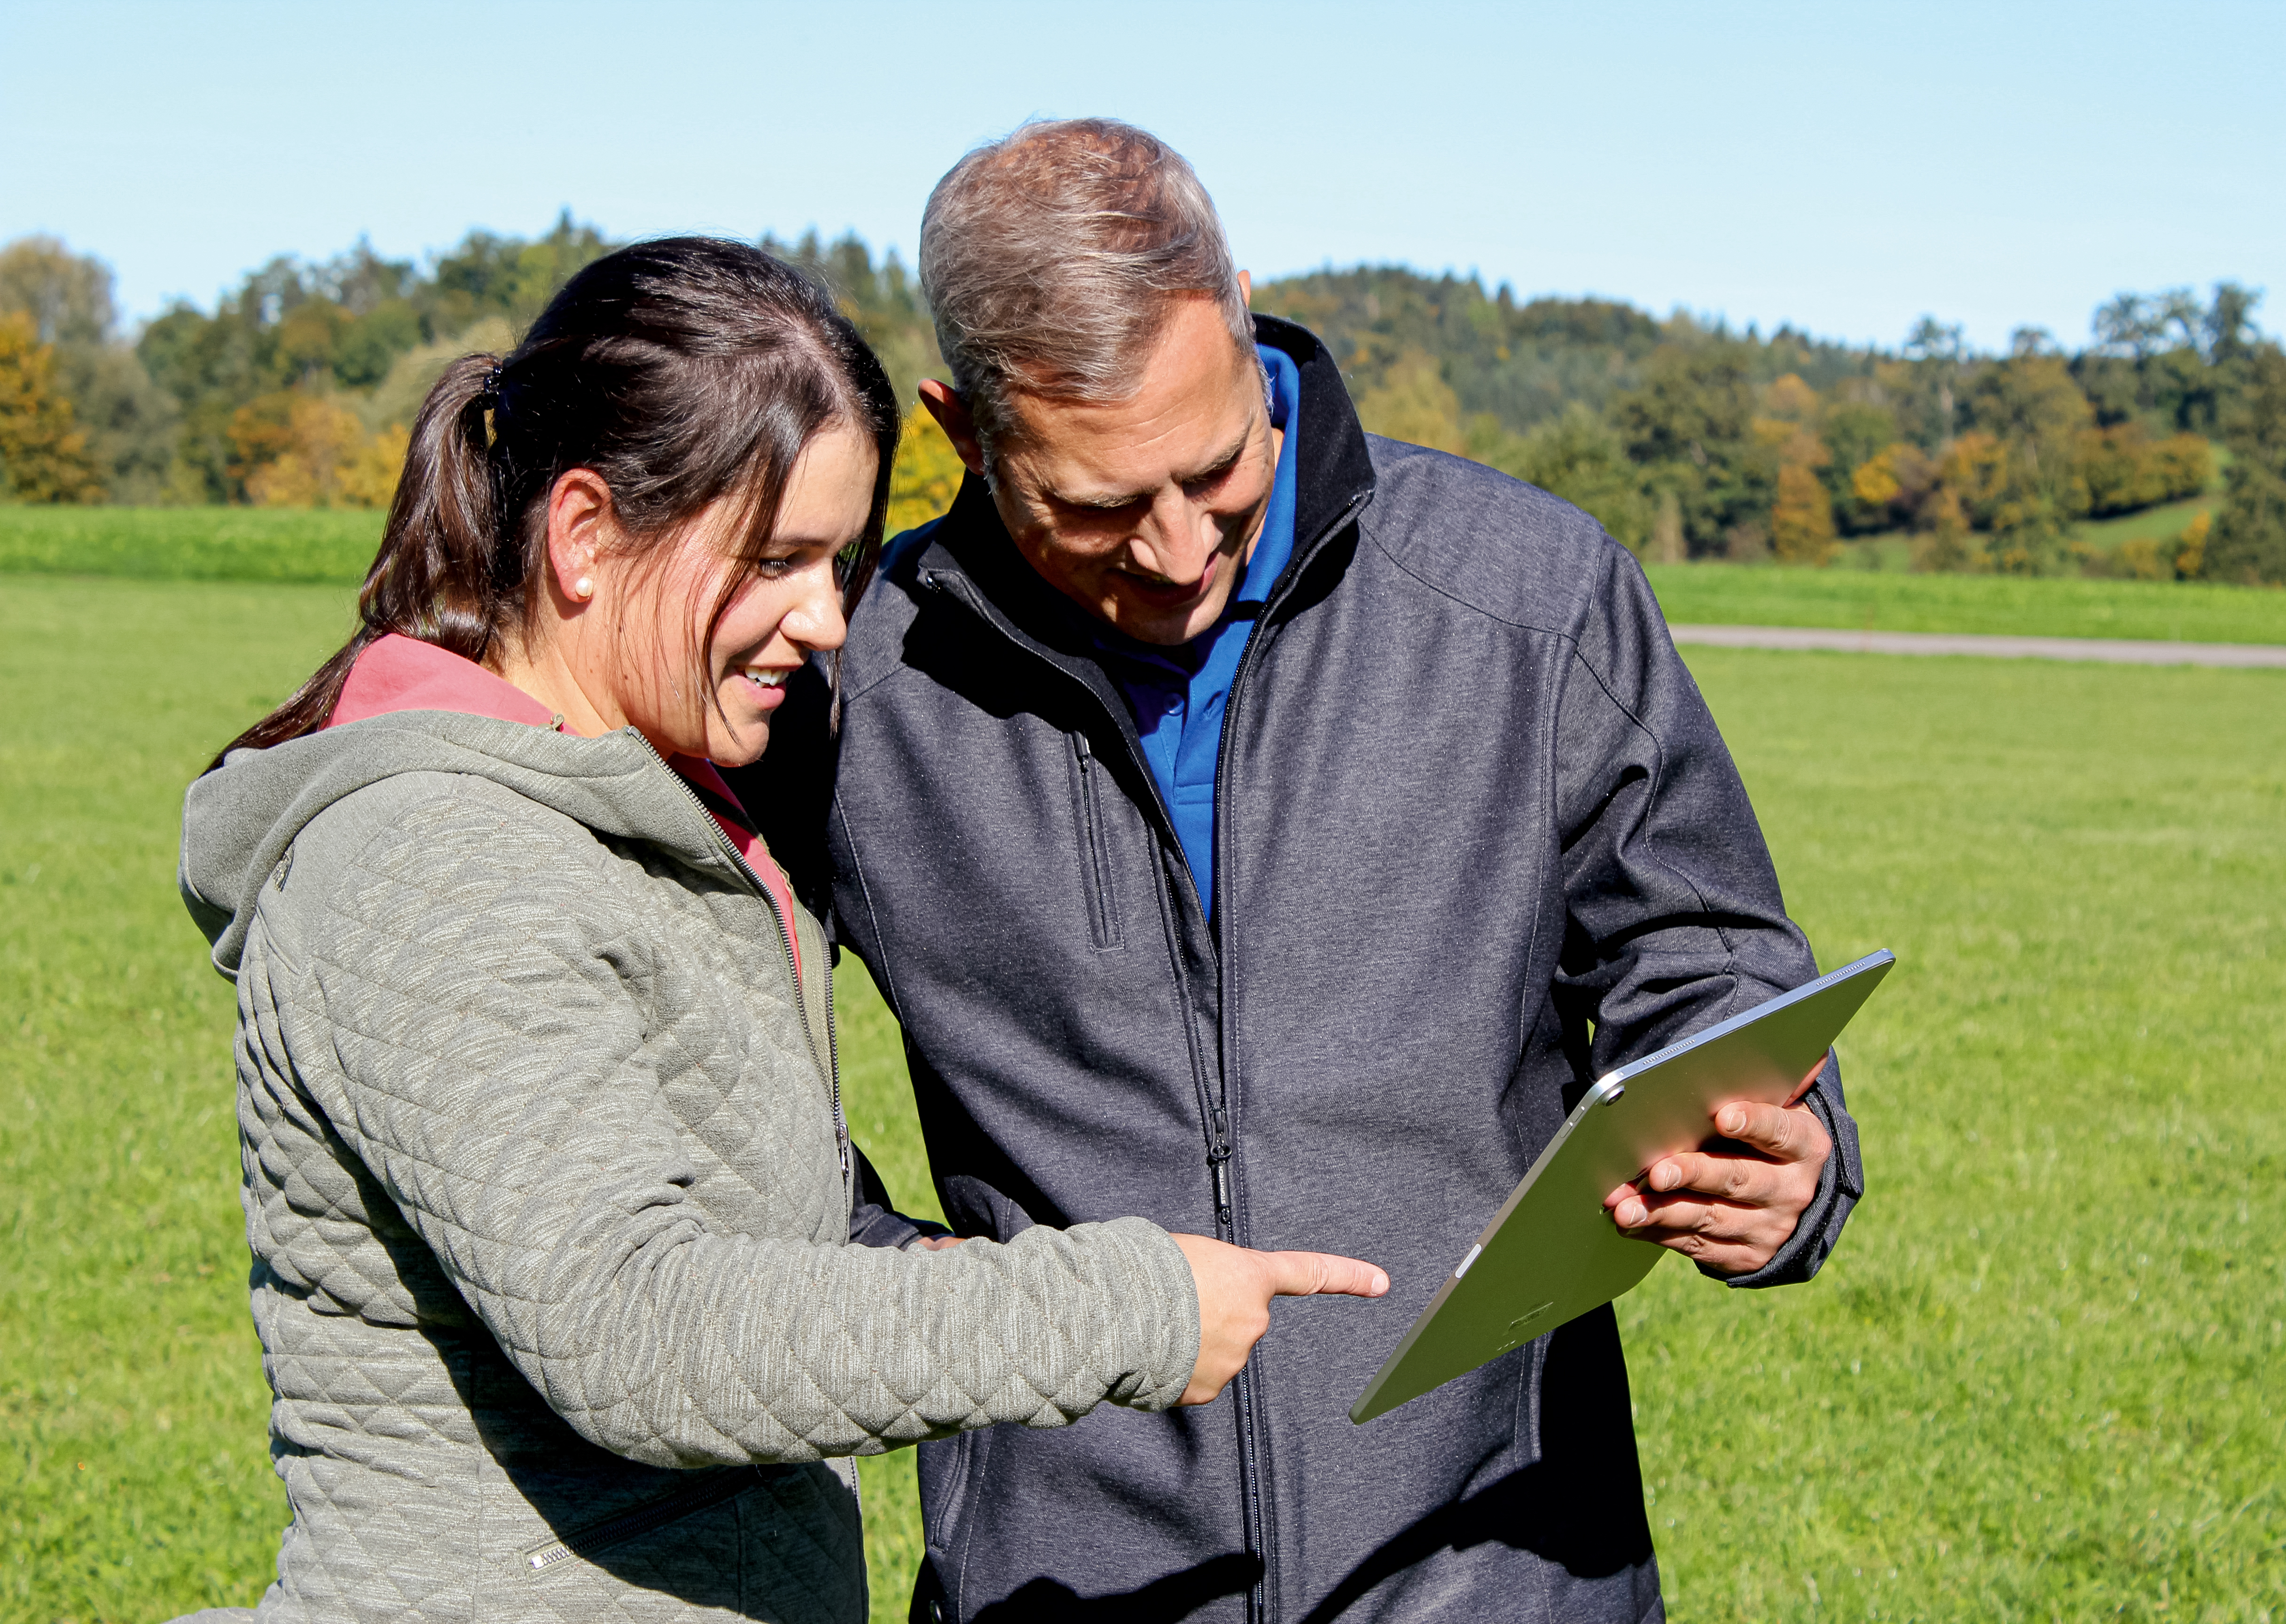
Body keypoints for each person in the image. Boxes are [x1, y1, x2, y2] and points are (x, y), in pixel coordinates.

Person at [735, 123, 1868, 1622]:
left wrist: (1781, 1160)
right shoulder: (851, 679)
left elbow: (1709, 960)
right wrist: (924, 1293)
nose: (1179, 548)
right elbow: (704, 1059)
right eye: (1093, 508)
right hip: (1064, 1585)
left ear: (1244, 309)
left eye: (1215, 471)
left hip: (1499, 1573)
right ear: (961, 430)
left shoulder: (1530, 595)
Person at [172, 237, 1386, 1624]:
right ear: (583, 537)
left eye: (843, 558)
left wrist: (892, 1263)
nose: (826, 621)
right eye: (777, 560)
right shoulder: (438, 857)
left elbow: (695, 1193)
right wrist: (1128, 1308)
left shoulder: (649, 814)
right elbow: (637, 1331)